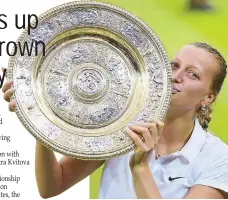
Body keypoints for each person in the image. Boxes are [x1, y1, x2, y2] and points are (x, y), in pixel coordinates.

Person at [2, 42, 228, 199]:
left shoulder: (218, 159)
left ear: (209, 96)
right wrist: (42, 122)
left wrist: (140, 168)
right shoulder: (120, 123)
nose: (176, 76)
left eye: (192, 74)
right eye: (174, 65)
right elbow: (52, 185)